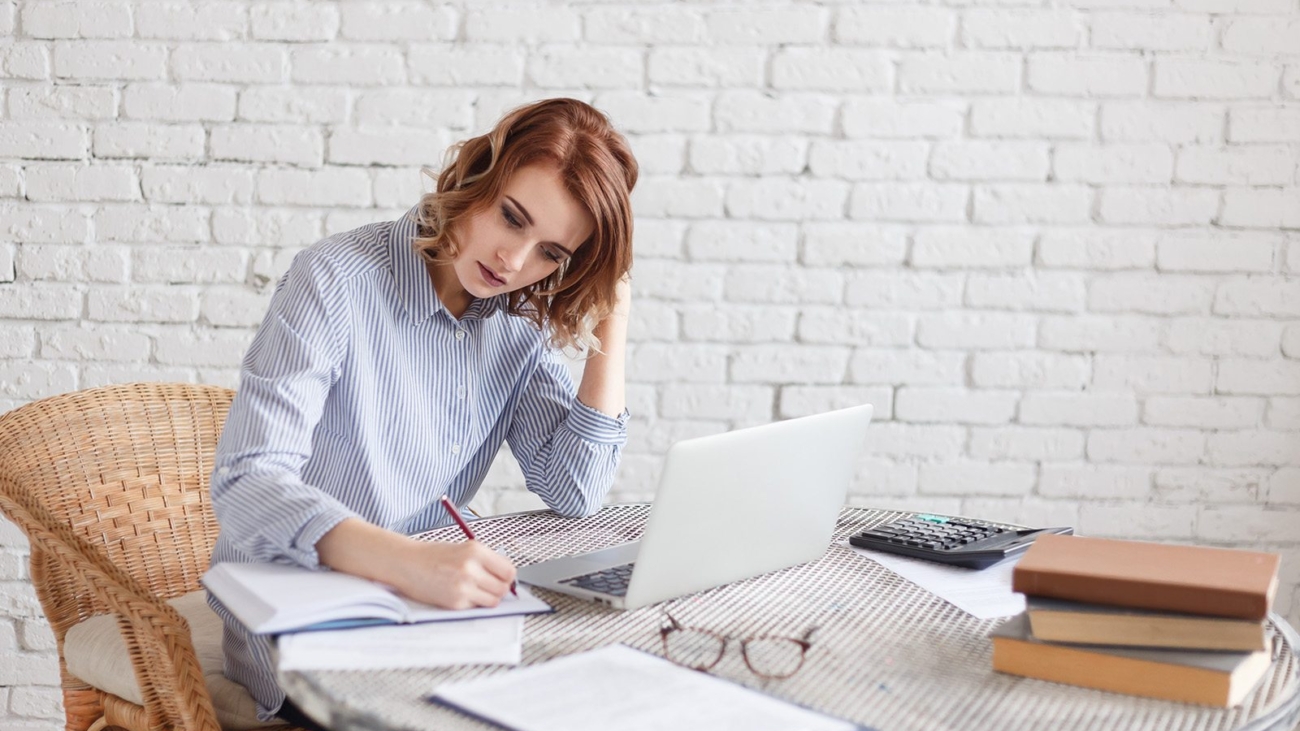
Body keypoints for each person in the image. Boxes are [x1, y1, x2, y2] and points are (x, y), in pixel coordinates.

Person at [206, 97, 638, 727]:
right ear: (474, 182)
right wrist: (412, 565)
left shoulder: (515, 322)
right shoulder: (333, 280)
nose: (515, 262)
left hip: (432, 615)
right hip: (301, 615)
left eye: (552, 253)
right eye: (512, 218)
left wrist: (614, 316)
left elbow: (576, 489)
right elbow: (247, 484)